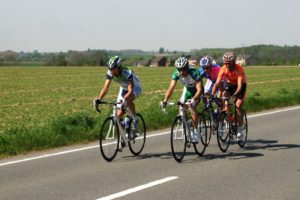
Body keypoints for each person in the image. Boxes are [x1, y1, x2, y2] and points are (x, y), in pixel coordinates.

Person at [93, 56, 142, 132]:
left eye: (114, 69)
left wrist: (124, 101)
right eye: (110, 70)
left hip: (135, 87)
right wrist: (99, 99)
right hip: (123, 88)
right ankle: (124, 130)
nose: (112, 72)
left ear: (119, 67)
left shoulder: (127, 72)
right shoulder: (110, 72)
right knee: (118, 115)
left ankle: (135, 119)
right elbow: (105, 88)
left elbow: (130, 91)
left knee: (127, 100)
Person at [162, 57, 203, 143]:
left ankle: (195, 132)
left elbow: (199, 89)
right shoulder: (176, 74)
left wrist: (193, 99)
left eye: (184, 69)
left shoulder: (194, 72)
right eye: (179, 69)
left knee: (192, 107)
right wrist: (165, 100)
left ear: (187, 67)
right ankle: (187, 122)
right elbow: (171, 88)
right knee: (181, 106)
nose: (182, 72)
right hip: (187, 90)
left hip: (197, 92)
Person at [211, 51, 247, 141]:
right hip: (230, 84)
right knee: (224, 95)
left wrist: (235, 95)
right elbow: (217, 83)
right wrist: (212, 95)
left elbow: (239, 85)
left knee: (238, 105)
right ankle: (227, 113)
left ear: (233, 62)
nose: (227, 65)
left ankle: (240, 128)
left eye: (229, 63)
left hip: (240, 86)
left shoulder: (239, 69)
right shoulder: (223, 69)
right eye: (225, 63)